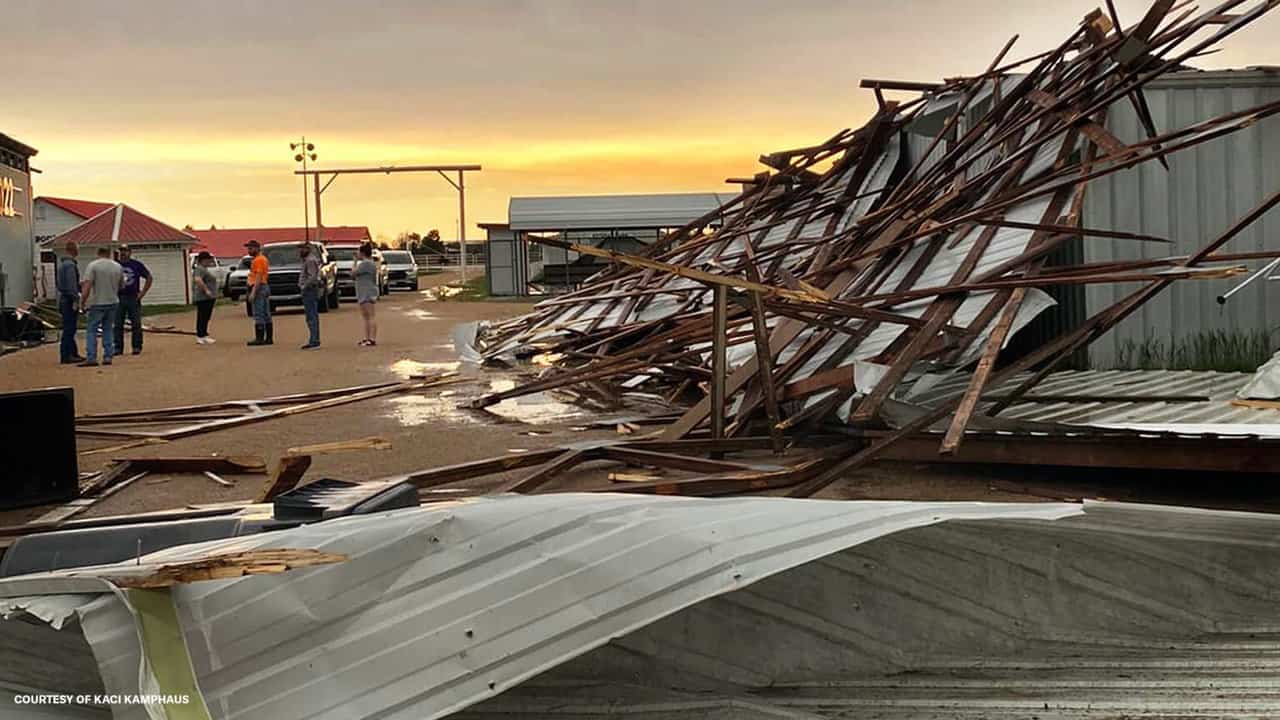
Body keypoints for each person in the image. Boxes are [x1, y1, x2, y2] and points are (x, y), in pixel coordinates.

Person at [79, 246, 123, 367]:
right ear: (109, 253)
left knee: (92, 330)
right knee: (108, 329)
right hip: (113, 301)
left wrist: (82, 301)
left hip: (97, 302)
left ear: (98, 253)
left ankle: (91, 357)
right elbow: (122, 285)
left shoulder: (93, 266)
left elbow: (87, 285)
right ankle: (108, 356)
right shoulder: (117, 266)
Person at [113, 244, 152, 356]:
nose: (123, 253)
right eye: (121, 251)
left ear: (130, 252)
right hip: (119, 297)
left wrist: (142, 293)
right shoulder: (115, 265)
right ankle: (118, 347)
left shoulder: (136, 265)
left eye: (125, 251)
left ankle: (136, 346)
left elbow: (149, 277)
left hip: (133, 297)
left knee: (136, 323)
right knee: (117, 324)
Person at [55, 241, 84, 364]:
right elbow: (72, 286)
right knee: (70, 329)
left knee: (68, 328)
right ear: (74, 250)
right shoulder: (70, 266)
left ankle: (72, 353)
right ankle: (66, 355)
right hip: (69, 300)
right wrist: (77, 300)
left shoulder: (62, 265)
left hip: (63, 299)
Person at [245, 240, 273, 346]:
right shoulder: (262, 259)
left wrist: (253, 292)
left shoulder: (259, 260)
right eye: (248, 248)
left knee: (258, 313)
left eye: (251, 248)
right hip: (264, 287)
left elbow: (259, 276)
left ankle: (259, 338)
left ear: (257, 248)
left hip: (259, 287)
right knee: (266, 313)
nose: (249, 250)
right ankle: (269, 338)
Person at [354, 242, 379, 347]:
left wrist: (355, 262)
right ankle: (367, 338)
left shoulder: (365, 264)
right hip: (366, 291)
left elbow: (353, 273)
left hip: (367, 292)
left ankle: (372, 339)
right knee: (366, 317)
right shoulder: (371, 263)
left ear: (363, 253)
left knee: (370, 316)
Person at [192, 251, 219, 345]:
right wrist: (206, 290)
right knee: (202, 316)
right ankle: (200, 335)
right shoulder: (200, 269)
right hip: (203, 297)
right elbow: (198, 280)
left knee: (206, 316)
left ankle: (204, 334)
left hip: (208, 297)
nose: (209, 262)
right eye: (208, 260)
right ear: (203, 260)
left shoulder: (204, 269)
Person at [298, 242, 322, 350]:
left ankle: (314, 341)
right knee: (310, 316)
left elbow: (313, 277)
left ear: (308, 249)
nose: (300, 251)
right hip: (308, 290)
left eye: (302, 249)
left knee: (312, 316)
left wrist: (304, 286)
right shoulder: (306, 260)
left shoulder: (310, 260)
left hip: (310, 290)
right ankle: (313, 339)